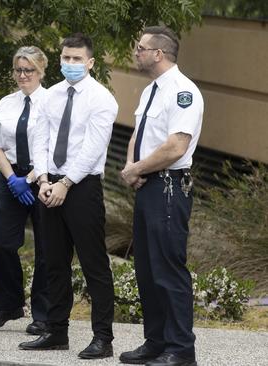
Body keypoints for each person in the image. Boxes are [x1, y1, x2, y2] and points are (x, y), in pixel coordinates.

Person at [18, 33, 117, 359]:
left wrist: (66, 184)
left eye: (77, 59)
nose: (70, 64)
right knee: (54, 263)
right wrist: (45, 179)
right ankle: (56, 331)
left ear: (89, 63)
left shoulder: (102, 99)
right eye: (66, 58)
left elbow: (92, 148)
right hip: (49, 185)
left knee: (94, 265)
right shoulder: (51, 96)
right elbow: (41, 138)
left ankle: (103, 338)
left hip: (83, 188)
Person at [119, 26, 202, 366]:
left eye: (141, 48)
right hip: (148, 185)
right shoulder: (152, 90)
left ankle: (181, 349)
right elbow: (138, 133)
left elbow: (175, 146)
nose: (135, 52)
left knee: (168, 269)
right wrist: (131, 166)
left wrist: (137, 169)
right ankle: (155, 342)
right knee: (147, 269)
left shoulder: (183, 91)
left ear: (158, 54)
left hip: (169, 186)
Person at [0, 46, 50, 335]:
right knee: (2, 244)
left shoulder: (52, 102)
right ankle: (7, 306)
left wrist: (32, 178)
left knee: (47, 248)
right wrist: (12, 179)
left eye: (29, 70)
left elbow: (51, 147)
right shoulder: (7, 103)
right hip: (10, 177)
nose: (23, 75)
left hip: (43, 177)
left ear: (41, 71)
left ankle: (44, 315)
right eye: (18, 70)